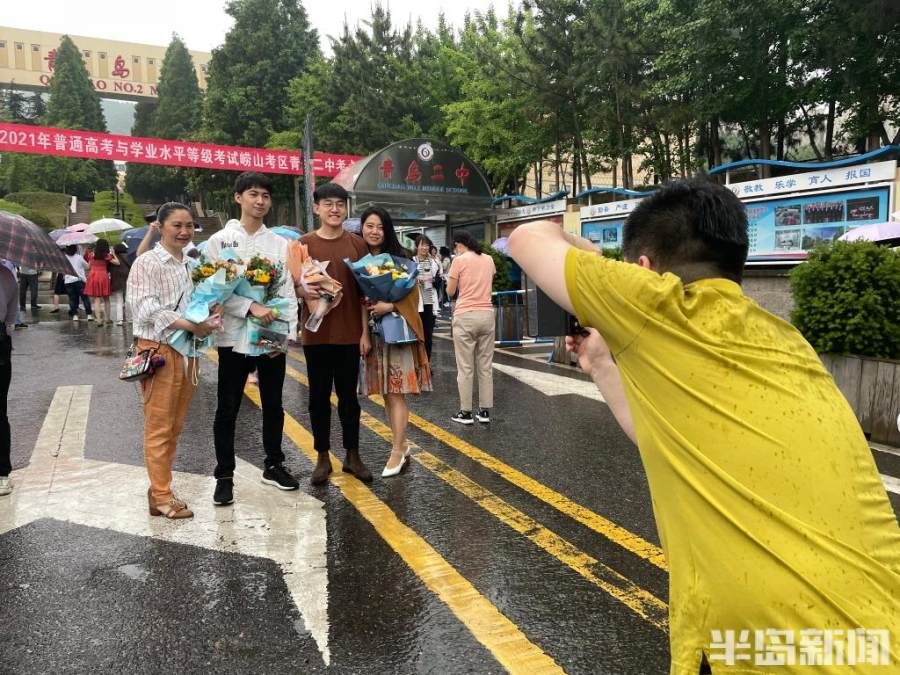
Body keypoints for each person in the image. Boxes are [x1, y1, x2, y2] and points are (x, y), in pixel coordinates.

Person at [508, 178, 900, 674]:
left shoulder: (661, 305)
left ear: (645, 272)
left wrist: (605, 266)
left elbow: (526, 237)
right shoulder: (784, 341)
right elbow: (673, 443)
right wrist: (603, 366)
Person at [205, 171, 299, 506]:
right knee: (227, 406)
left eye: (265, 196)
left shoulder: (279, 245)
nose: (260, 201)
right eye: (253, 194)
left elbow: (286, 289)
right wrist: (249, 306)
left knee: (274, 403)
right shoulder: (219, 242)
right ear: (238, 197)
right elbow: (213, 292)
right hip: (232, 335)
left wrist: (284, 331)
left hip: (269, 332)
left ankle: (274, 464)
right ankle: (224, 475)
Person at [126, 202, 220, 519]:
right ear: (161, 227)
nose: (184, 231)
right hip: (160, 350)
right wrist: (189, 324)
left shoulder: (190, 265)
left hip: (188, 352)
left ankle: (158, 492)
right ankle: (163, 495)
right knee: (159, 427)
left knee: (175, 426)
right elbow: (145, 308)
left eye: (189, 225)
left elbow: (198, 303)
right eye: (177, 225)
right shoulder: (147, 263)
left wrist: (210, 315)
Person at [296, 183, 372, 485]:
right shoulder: (303, 245)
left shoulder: (358, 245)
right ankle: (322, 457)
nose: (335, 209)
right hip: (315, 335)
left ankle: (353, 455)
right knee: (317, 399)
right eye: (328, 203)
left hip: (350, 334)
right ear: (316, 208)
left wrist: (365, 333)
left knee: (349, 399)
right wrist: (304, 290)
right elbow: (293, 286)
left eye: (340, 204)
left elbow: (365, 293)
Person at [359, 207, 432, 476]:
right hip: (376, 336)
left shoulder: (401, 259)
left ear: (387, 230)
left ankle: (398, 449)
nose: (374, 231)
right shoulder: (361, 261)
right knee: (387, 395)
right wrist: (363, 334)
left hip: (399, 334)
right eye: (369, 225)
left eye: (379, 226)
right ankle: (401, 444)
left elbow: (413, 296)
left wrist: (390, 306)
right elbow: (360, 303)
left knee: (396, 392)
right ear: (363, 228)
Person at [446, 231, 495, 425]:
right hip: (487, 315)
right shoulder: (489, 259)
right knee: (485, 366)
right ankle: (484, 412)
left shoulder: (459, 260)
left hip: (465, 315)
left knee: (465, 367)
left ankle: (465, 412)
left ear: (458, 244)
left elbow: (450, 292)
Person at [0, 262, 17, 496]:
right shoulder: (7, 274)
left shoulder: (6, 274)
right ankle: (2, 474)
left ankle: (3, 472)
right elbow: (11, 319)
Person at [413, 235, 440, 360]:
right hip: (415, 302)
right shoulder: (411, 262)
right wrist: (414, 280)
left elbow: (440, 282)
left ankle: (426, 364)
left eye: (427, 245)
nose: (424, 247)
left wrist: (431, 280)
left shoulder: (434, 262)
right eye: (422, 245)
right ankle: (417, 363)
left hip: (429, 301)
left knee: (428, 334)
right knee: (416, 334)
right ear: (416, 246)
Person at [84, 238, 120, 327]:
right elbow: (117, 263)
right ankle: (107, 319)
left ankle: (99, 320)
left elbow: (88, 267)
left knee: (96, 299)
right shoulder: (106, 255)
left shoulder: (91, 254)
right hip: (103, 276)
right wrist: (114, 254)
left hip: (93, 276)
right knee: (106, 299)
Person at [62, 245, 91, 322]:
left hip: (68, 281)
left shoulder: (64, 258)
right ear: (75, 249)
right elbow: (87, 267)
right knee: (85, 298)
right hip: (79, 280)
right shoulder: (79, 257)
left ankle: (75, 315)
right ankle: (89, 315)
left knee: (72, 299)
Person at [109, 242, 132, 326]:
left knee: (119, 301)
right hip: (128, 280)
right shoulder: (128, 257)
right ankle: (130, 319)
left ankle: (119, 320)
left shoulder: (112, 258)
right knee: (128, 300)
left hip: (116, 281)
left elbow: (108, 269)